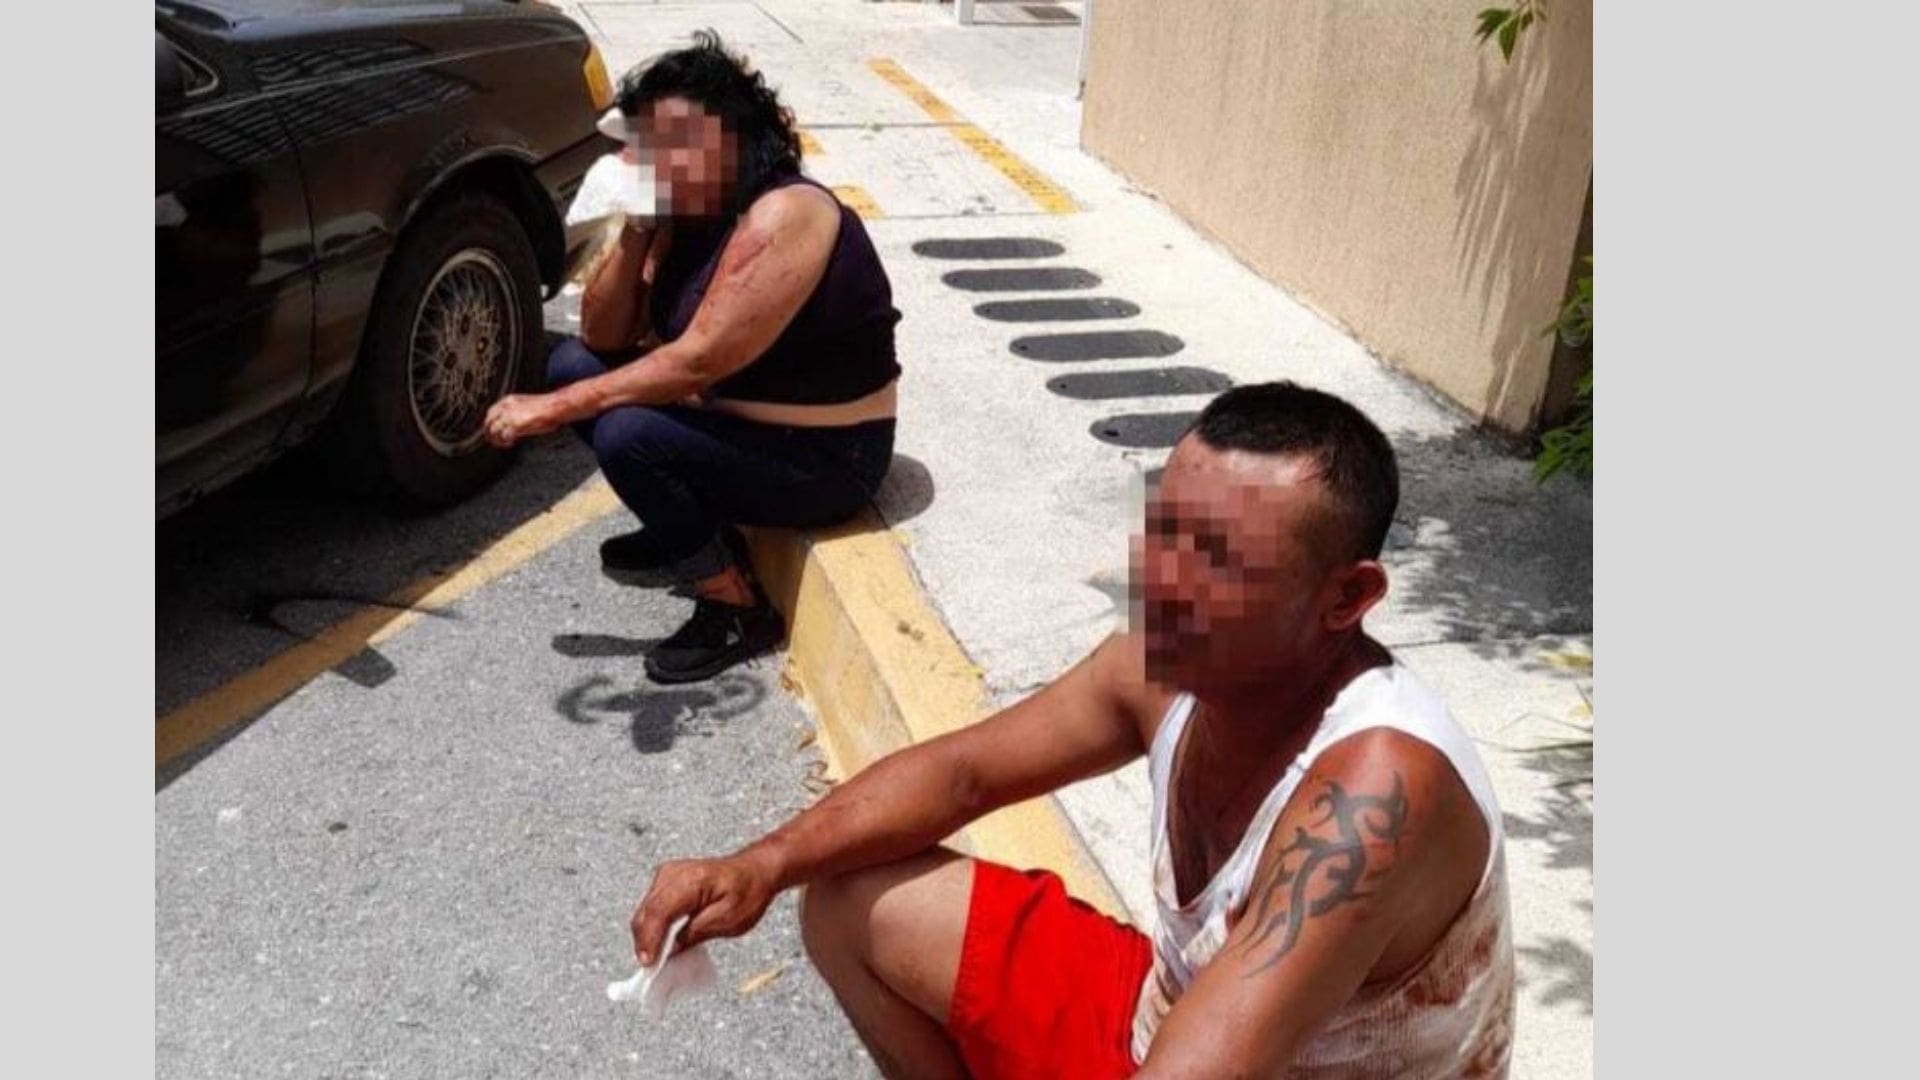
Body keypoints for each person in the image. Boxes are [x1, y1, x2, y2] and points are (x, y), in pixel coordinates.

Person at [627, 383, 1515, 1077]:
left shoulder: (1376, 797)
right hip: (1170, 1021)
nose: (1161, 582)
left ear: (1347, 597)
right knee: (846, 896)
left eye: (1217, 561)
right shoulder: (1166, 662)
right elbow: (965, 773)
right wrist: (758, 865)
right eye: (1165, 532)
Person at [482, 32, 901, 684]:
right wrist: (639, 227)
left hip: (828, 457)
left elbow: (698, 361)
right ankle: (689, 527)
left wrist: (551, 410)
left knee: (627, 432)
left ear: (737, 136)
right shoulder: (689, 214)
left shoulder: (785, 212)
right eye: (655, 144)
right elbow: (604, 336)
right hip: (743, 427)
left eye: (685, 141)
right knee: (572, 366)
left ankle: (734, 606)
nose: (668, 160)